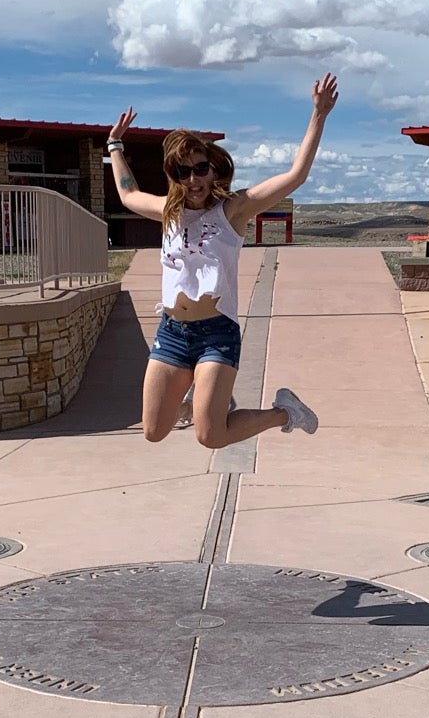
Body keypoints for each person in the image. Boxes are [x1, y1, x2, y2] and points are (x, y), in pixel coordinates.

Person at [105, 74, 335, 449]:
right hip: (172, 334)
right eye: (183, 172)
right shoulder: (169, 212)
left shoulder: (233, 210)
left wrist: (319, 115)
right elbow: (129, 194)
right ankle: (200, 401)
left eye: (200, 169)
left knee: (210, 436)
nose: (193, 178)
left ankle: (284, 412)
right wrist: (115, 144)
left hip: (217, 335)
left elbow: (296, 176)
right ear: (174, 177)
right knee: (153, 431)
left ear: (213, 170)